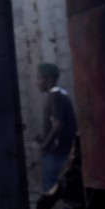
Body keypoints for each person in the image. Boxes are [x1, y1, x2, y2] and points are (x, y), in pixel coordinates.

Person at [34, 62, 77, 194]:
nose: (37, 82)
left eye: (39, 78)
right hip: (62, 150)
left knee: (50, 190)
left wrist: (45, 145)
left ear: (49, 79)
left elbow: (58, 123)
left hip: (55, 153)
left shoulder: (55, 95)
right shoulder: (63, 94)